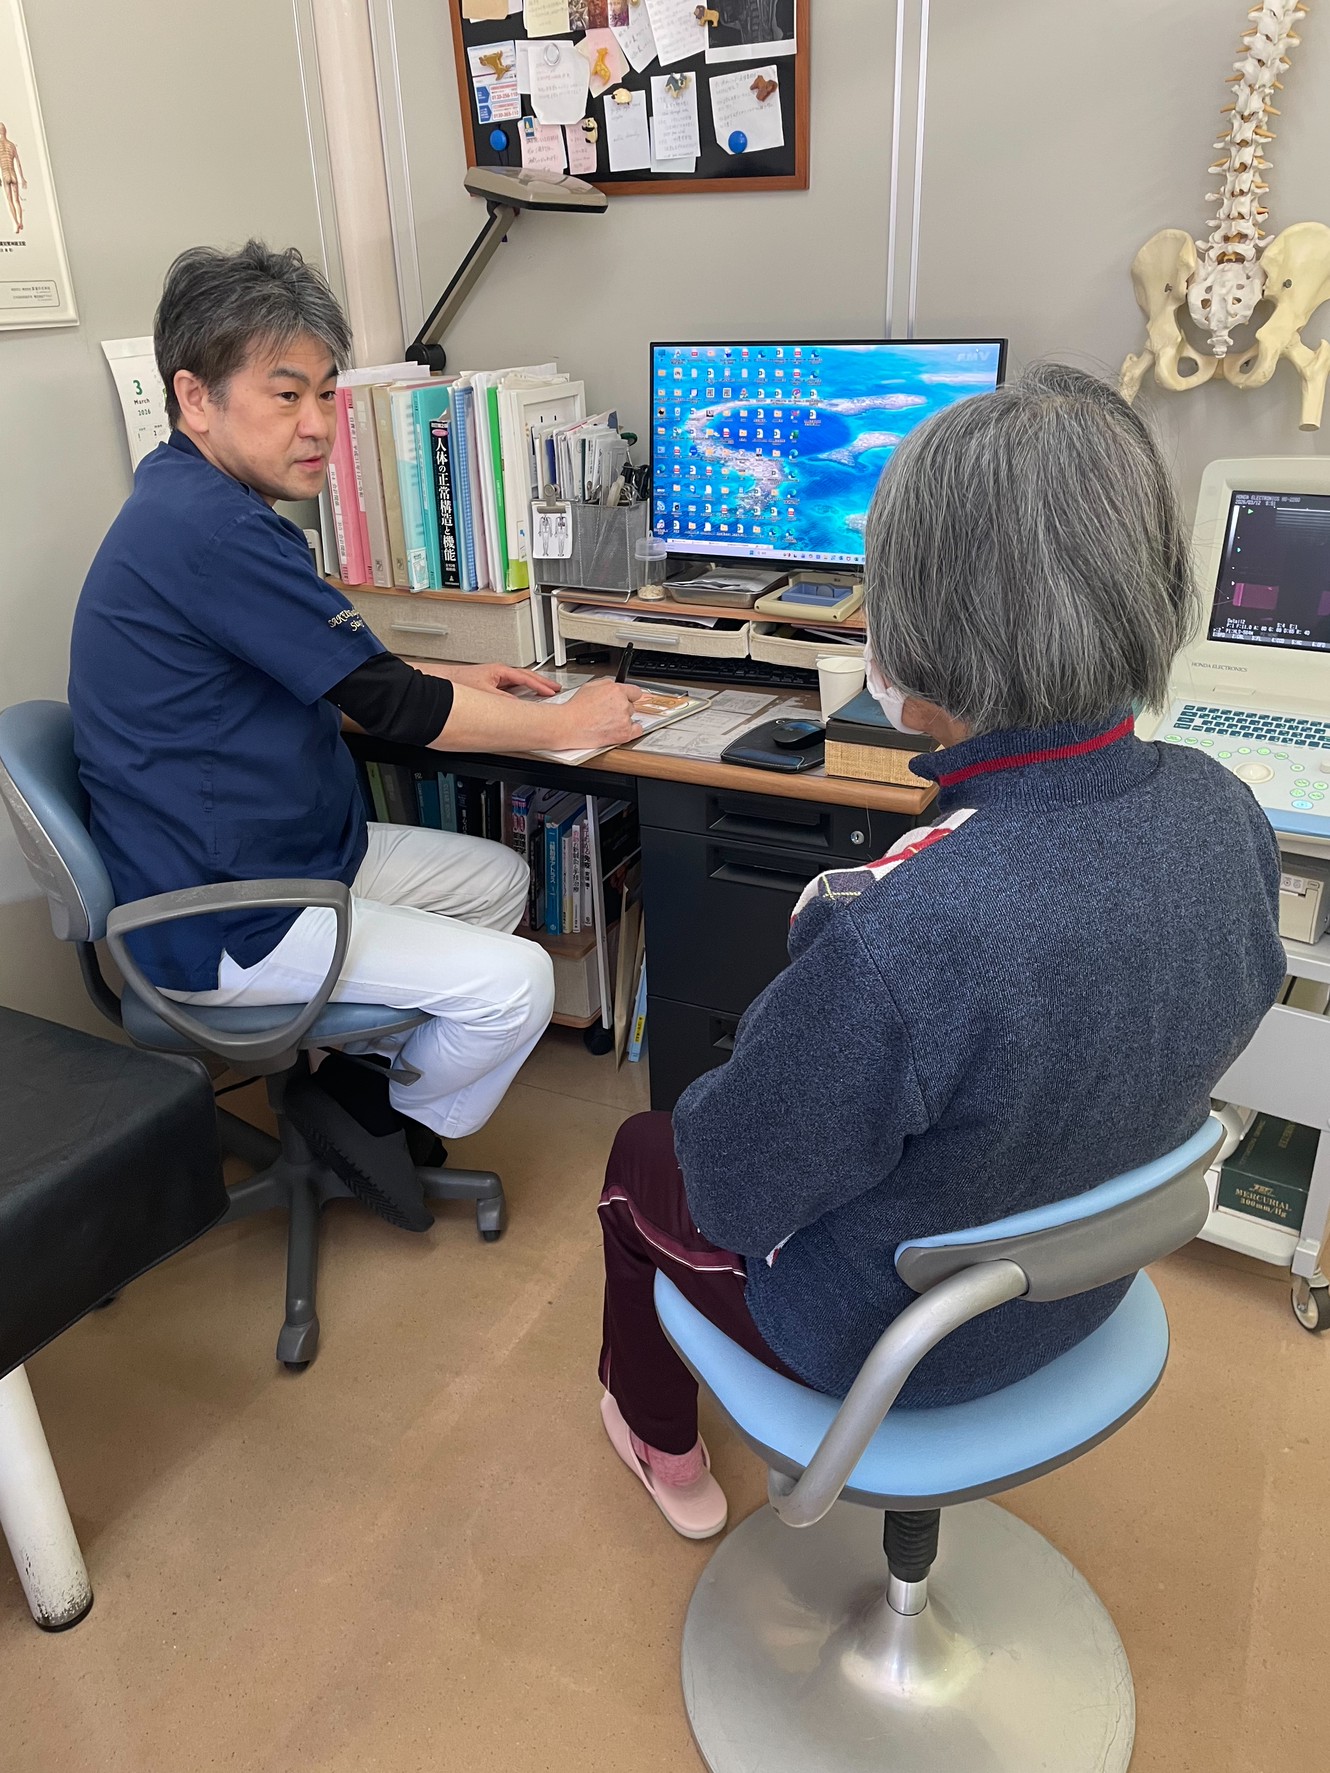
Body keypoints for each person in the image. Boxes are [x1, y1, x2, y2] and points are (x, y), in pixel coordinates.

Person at [596, 363, 1286, 1539]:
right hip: (1084, 1290)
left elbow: (730, 1193)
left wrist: (773, 1046)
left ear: (920, 619)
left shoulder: (901, 932)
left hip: (891, 1344)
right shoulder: (1227, 812)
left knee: (642, 1156)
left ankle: (656, 1433)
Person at [68, 241, 642, 1227]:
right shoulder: (213, 531)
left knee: (499, 882)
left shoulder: (193, 499)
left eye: (327, 395)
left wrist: (457, 675)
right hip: (228, 912)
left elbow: (335, 675)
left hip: (283, 851)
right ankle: (367, 1116)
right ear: (195, 397)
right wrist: (562, 722)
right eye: (287, 395)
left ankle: (350, 1086)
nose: (317, 426)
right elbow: (394, 708)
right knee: (518, 987)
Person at [0, 124, 26, 234]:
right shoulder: (11, 145)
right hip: (13, 174)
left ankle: (16, 223)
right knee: (17, 200)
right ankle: (21, 222)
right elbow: (18, 163)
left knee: (10, 201)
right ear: (5, 131)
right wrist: (22, 178)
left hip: (5, 174)